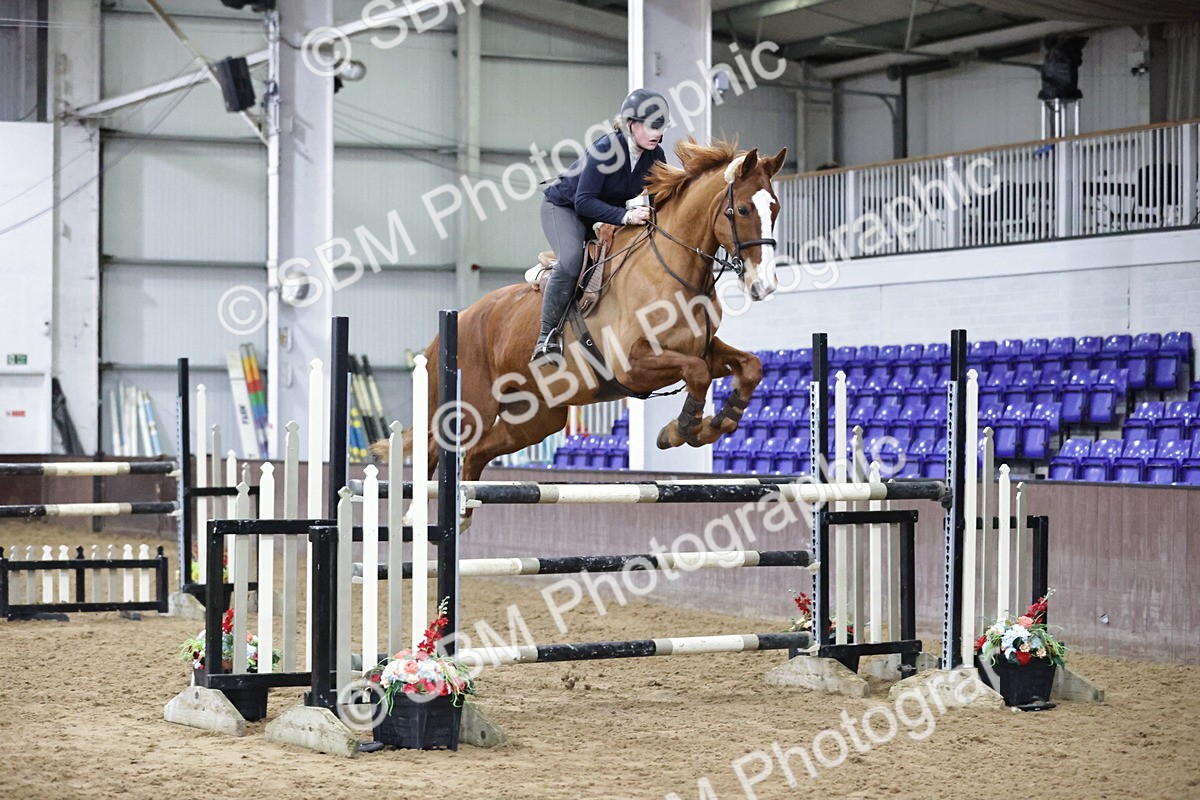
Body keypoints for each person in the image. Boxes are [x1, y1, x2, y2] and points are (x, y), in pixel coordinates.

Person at [531, 88, 672, 362]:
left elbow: (659, 202)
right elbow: (583, 202)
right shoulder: (606, 149)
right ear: (630, 124)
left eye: (661, 126)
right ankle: (546, 338)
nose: (657, 133)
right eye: (651, 126)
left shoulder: (655, 156)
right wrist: (627, 216)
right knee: (571, 260)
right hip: (564, 208)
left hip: (602, 215)